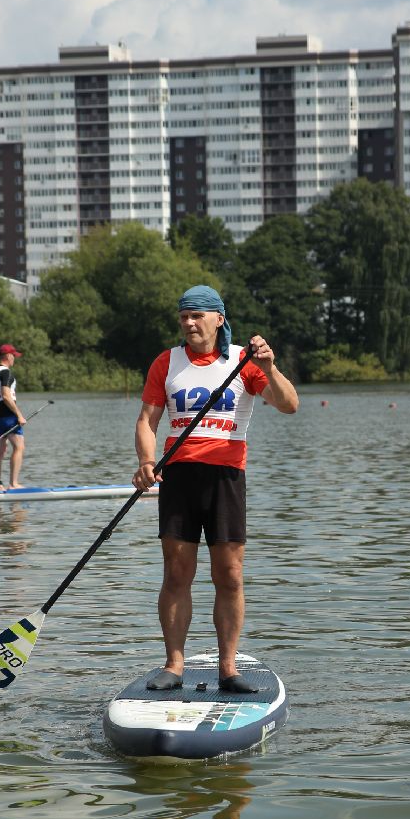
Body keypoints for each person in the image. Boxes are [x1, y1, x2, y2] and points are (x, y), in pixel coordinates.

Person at [133, 285, 299, 694]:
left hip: (226, 478)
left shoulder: (244, 360)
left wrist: (271, 367)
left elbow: (289, 404)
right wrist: (146, 463)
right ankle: (174, 664)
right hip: (179, 478)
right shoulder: (166, 363)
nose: (189, 323)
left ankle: (228, 667)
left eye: (198, 316)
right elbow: (146, 421)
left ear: (218, 319)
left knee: (230, 576)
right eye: (184, 316)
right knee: (176, 573)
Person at [0, 343, 27, 489]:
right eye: (14, 356)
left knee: (0, 450)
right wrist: (19, 415)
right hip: (8, 416)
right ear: (8, 356)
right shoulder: (6, 373)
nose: (14, 359)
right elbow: (6, 396)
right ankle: (13, 484)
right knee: (19, 446)